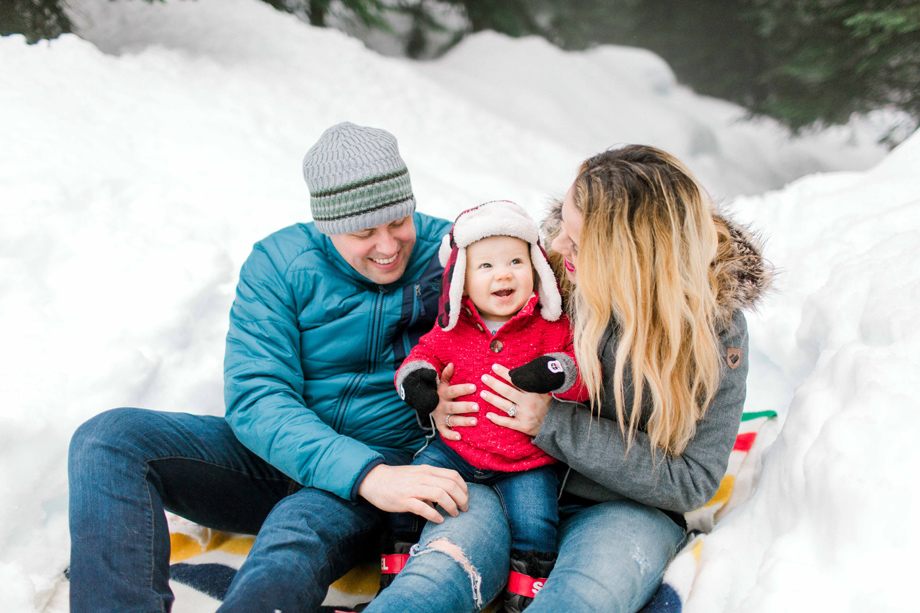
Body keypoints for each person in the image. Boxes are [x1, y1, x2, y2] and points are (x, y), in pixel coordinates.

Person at [67, 122, 473, 612]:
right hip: (281, 461)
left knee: (288, 545)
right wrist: (363, 473)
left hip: (382, 474)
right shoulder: (280, 264)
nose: (387, 246)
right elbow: (258, 396)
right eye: (364, 232)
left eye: (398, 223)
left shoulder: (455, 256)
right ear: (326, 225)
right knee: (108, 438)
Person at [364, 144, 772, 613]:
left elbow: (693, 480)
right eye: (562, 229)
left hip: (622, 508)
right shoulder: (551, 276)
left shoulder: (715, 331)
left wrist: (552, 423)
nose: (555, 246)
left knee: (578, 601)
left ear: (630, 258)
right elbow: (462, 315)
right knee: (438, 575)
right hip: (497, 478)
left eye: (575, 241)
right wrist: (438, 398)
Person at [383, 200, 589, 613]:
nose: (504, 274)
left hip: (525, 461)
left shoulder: (552, 328)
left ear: (536, 269)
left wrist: (557, 371)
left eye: (516, 260)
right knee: (413, 489)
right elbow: (422, 357)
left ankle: (525, 593)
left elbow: (581, 376)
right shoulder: (452, 327)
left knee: (537, 522)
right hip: (456, 449)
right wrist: (418, 381)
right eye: (486, 267)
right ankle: (396, 562)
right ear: (460, 280)